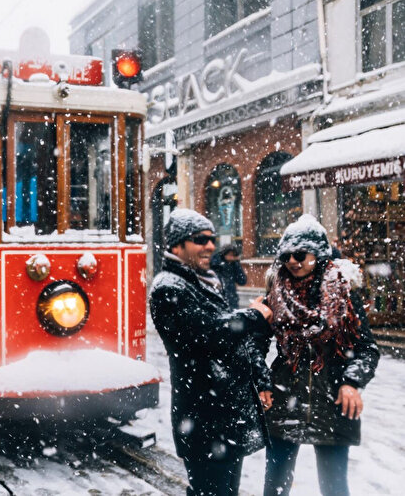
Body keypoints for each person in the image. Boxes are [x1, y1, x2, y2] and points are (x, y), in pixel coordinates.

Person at [148, 209, 273, 496]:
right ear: (176, 245)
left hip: (224, 416)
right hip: (203, 419)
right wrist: (253, 316)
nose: (210, 246)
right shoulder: (168, 286)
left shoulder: (203, 280)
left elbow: (232, 341)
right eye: (200, 240)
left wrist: (260, 378)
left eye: (212, 239)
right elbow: (207, 333)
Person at [259, 215, 379, 496]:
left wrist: (352, 381)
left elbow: (367, 349)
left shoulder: (344, 294)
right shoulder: (275, 292)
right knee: (275, 486)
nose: (293, 261)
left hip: (332, 402)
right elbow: (255, 345)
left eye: (300, 254)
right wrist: (263, 381)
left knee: (334, 488)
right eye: (287, 255)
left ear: (319, 253)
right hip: (284, 401)